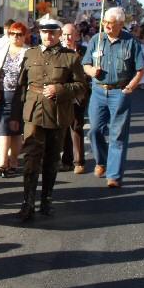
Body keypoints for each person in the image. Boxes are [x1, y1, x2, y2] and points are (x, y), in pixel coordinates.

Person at [11, 16, 87, 221]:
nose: (48, 35)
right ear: (39, 33)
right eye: (45, 32)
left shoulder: (70, 57)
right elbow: (21, 87)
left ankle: (46, 200)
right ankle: (27, 203)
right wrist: (15, 116)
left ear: (59, 35)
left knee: (52, 159)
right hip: (33, 112)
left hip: (58, 114)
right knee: (31, 159)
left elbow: (81, 87)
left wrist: (60, 89)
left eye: (53, 32)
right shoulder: (30, 54)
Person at [83, 6, 144, 188]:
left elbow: (141, 70)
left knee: (117, 135)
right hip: (98, 91)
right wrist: (91, 71)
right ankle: (101, 161)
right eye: (105, 22)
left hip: (120, 92)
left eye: (110, 23)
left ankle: (114, 175)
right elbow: (85, 64)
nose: (106, 26)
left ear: (120, 24)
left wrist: (130, 87)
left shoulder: (131, 42)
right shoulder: (97, 39)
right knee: (94, 130)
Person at [0, 22, 29, 177]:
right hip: (0, 95)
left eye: (19, 34)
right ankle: (6, 162)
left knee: (14, 129)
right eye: (12, 33)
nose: (15, 37)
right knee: (3, 129)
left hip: (19, 97)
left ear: (25, 36)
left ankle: (9, 161)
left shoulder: (29, 52)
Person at [59, 23, 89, 174]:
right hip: (63, 93)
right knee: (64, 126)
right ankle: (66, 161)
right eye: (64, 35)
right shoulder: (58, 52)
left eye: (70, 35)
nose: (67, 38)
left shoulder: (84, 51)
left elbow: (88, 71)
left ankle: (79, 161)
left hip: (78, 94)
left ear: (76, 36)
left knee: (76, 126)